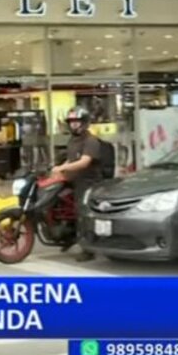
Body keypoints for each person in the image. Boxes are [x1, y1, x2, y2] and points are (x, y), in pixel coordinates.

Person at [51, 106, 102, 262]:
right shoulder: (73, 140)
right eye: (71, 121)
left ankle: (88, 249)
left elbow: (84, 162)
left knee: (83, 214)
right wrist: (59, 169)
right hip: (73, 181)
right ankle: (68, 236)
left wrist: (63, 168)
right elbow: (71, 159)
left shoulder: (91, 141)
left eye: (77, 121)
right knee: (60, 205)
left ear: (84, 122)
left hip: (88, 183)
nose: (73, 124)